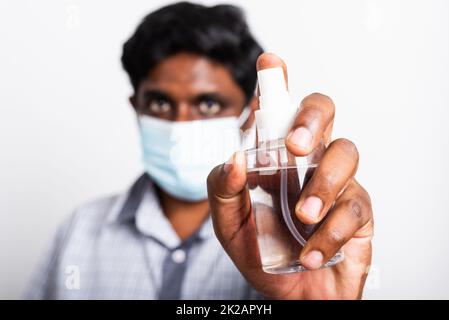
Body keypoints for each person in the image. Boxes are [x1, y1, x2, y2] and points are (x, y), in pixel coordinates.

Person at [26, 1, 373, 299]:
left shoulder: (287, 240)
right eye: (160, 102)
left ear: (249, 113)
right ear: (137, 107)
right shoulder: (80, 231)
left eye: (208, 104)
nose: (181, 123)